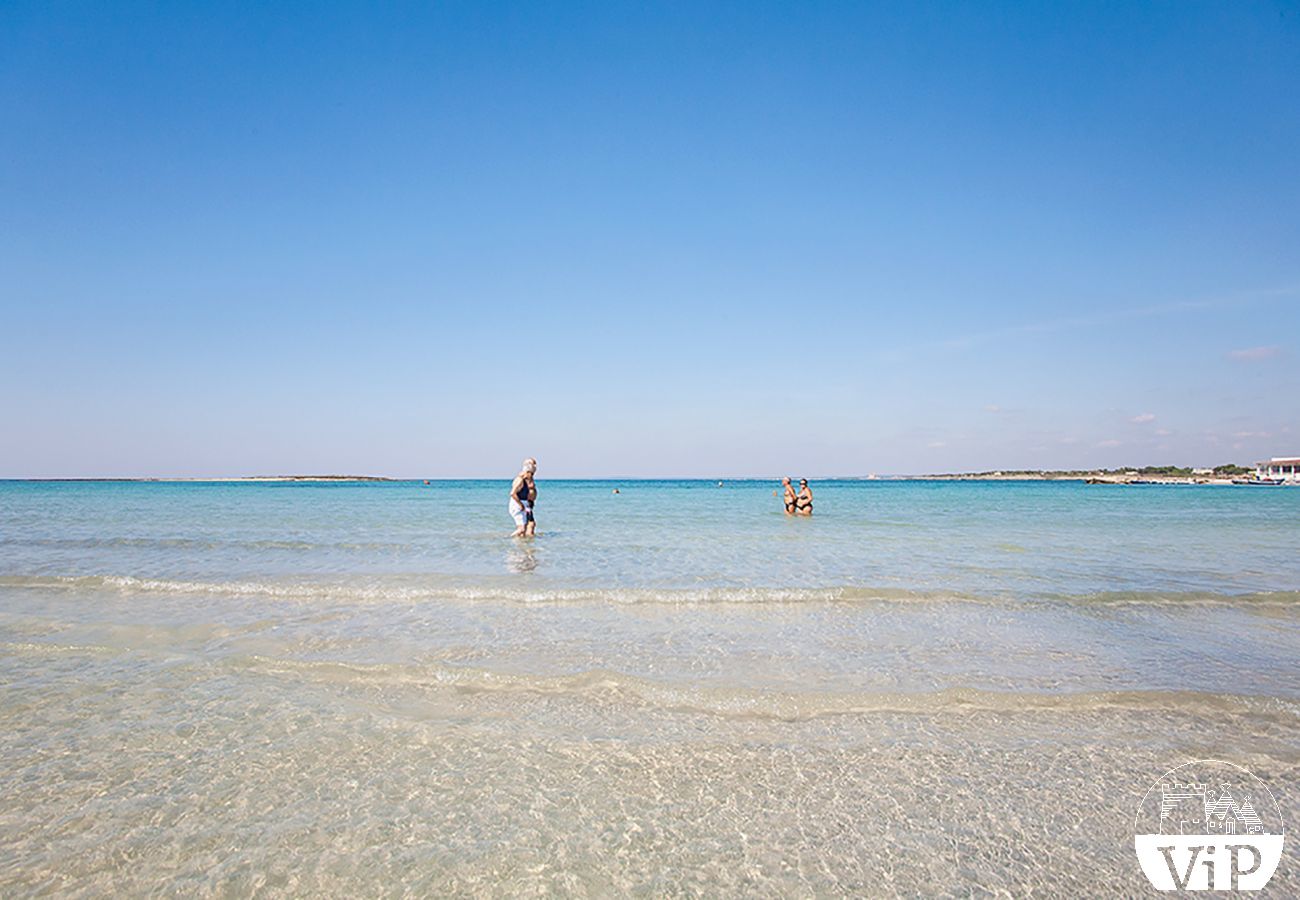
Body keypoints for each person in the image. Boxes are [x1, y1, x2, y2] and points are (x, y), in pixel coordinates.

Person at [509, 458, 537, 537]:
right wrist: (520, 504)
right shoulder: (520, 480)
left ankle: (524, 545)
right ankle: (507, 539)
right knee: (521, 529)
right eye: (531, 472)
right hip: (518, 504)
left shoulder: (529, 480)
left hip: (526, 504)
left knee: (529, 526)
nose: (533, 474)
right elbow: (512, 493)